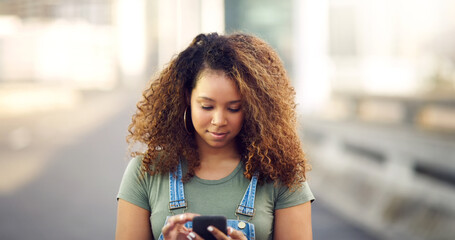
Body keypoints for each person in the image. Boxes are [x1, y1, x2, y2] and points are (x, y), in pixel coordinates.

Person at [115, 32, 314, 240]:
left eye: (234, 108)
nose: (219, 120)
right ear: (186, 98)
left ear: (255, 109)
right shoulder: (145, 173)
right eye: (207, 106)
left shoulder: (283, 175)